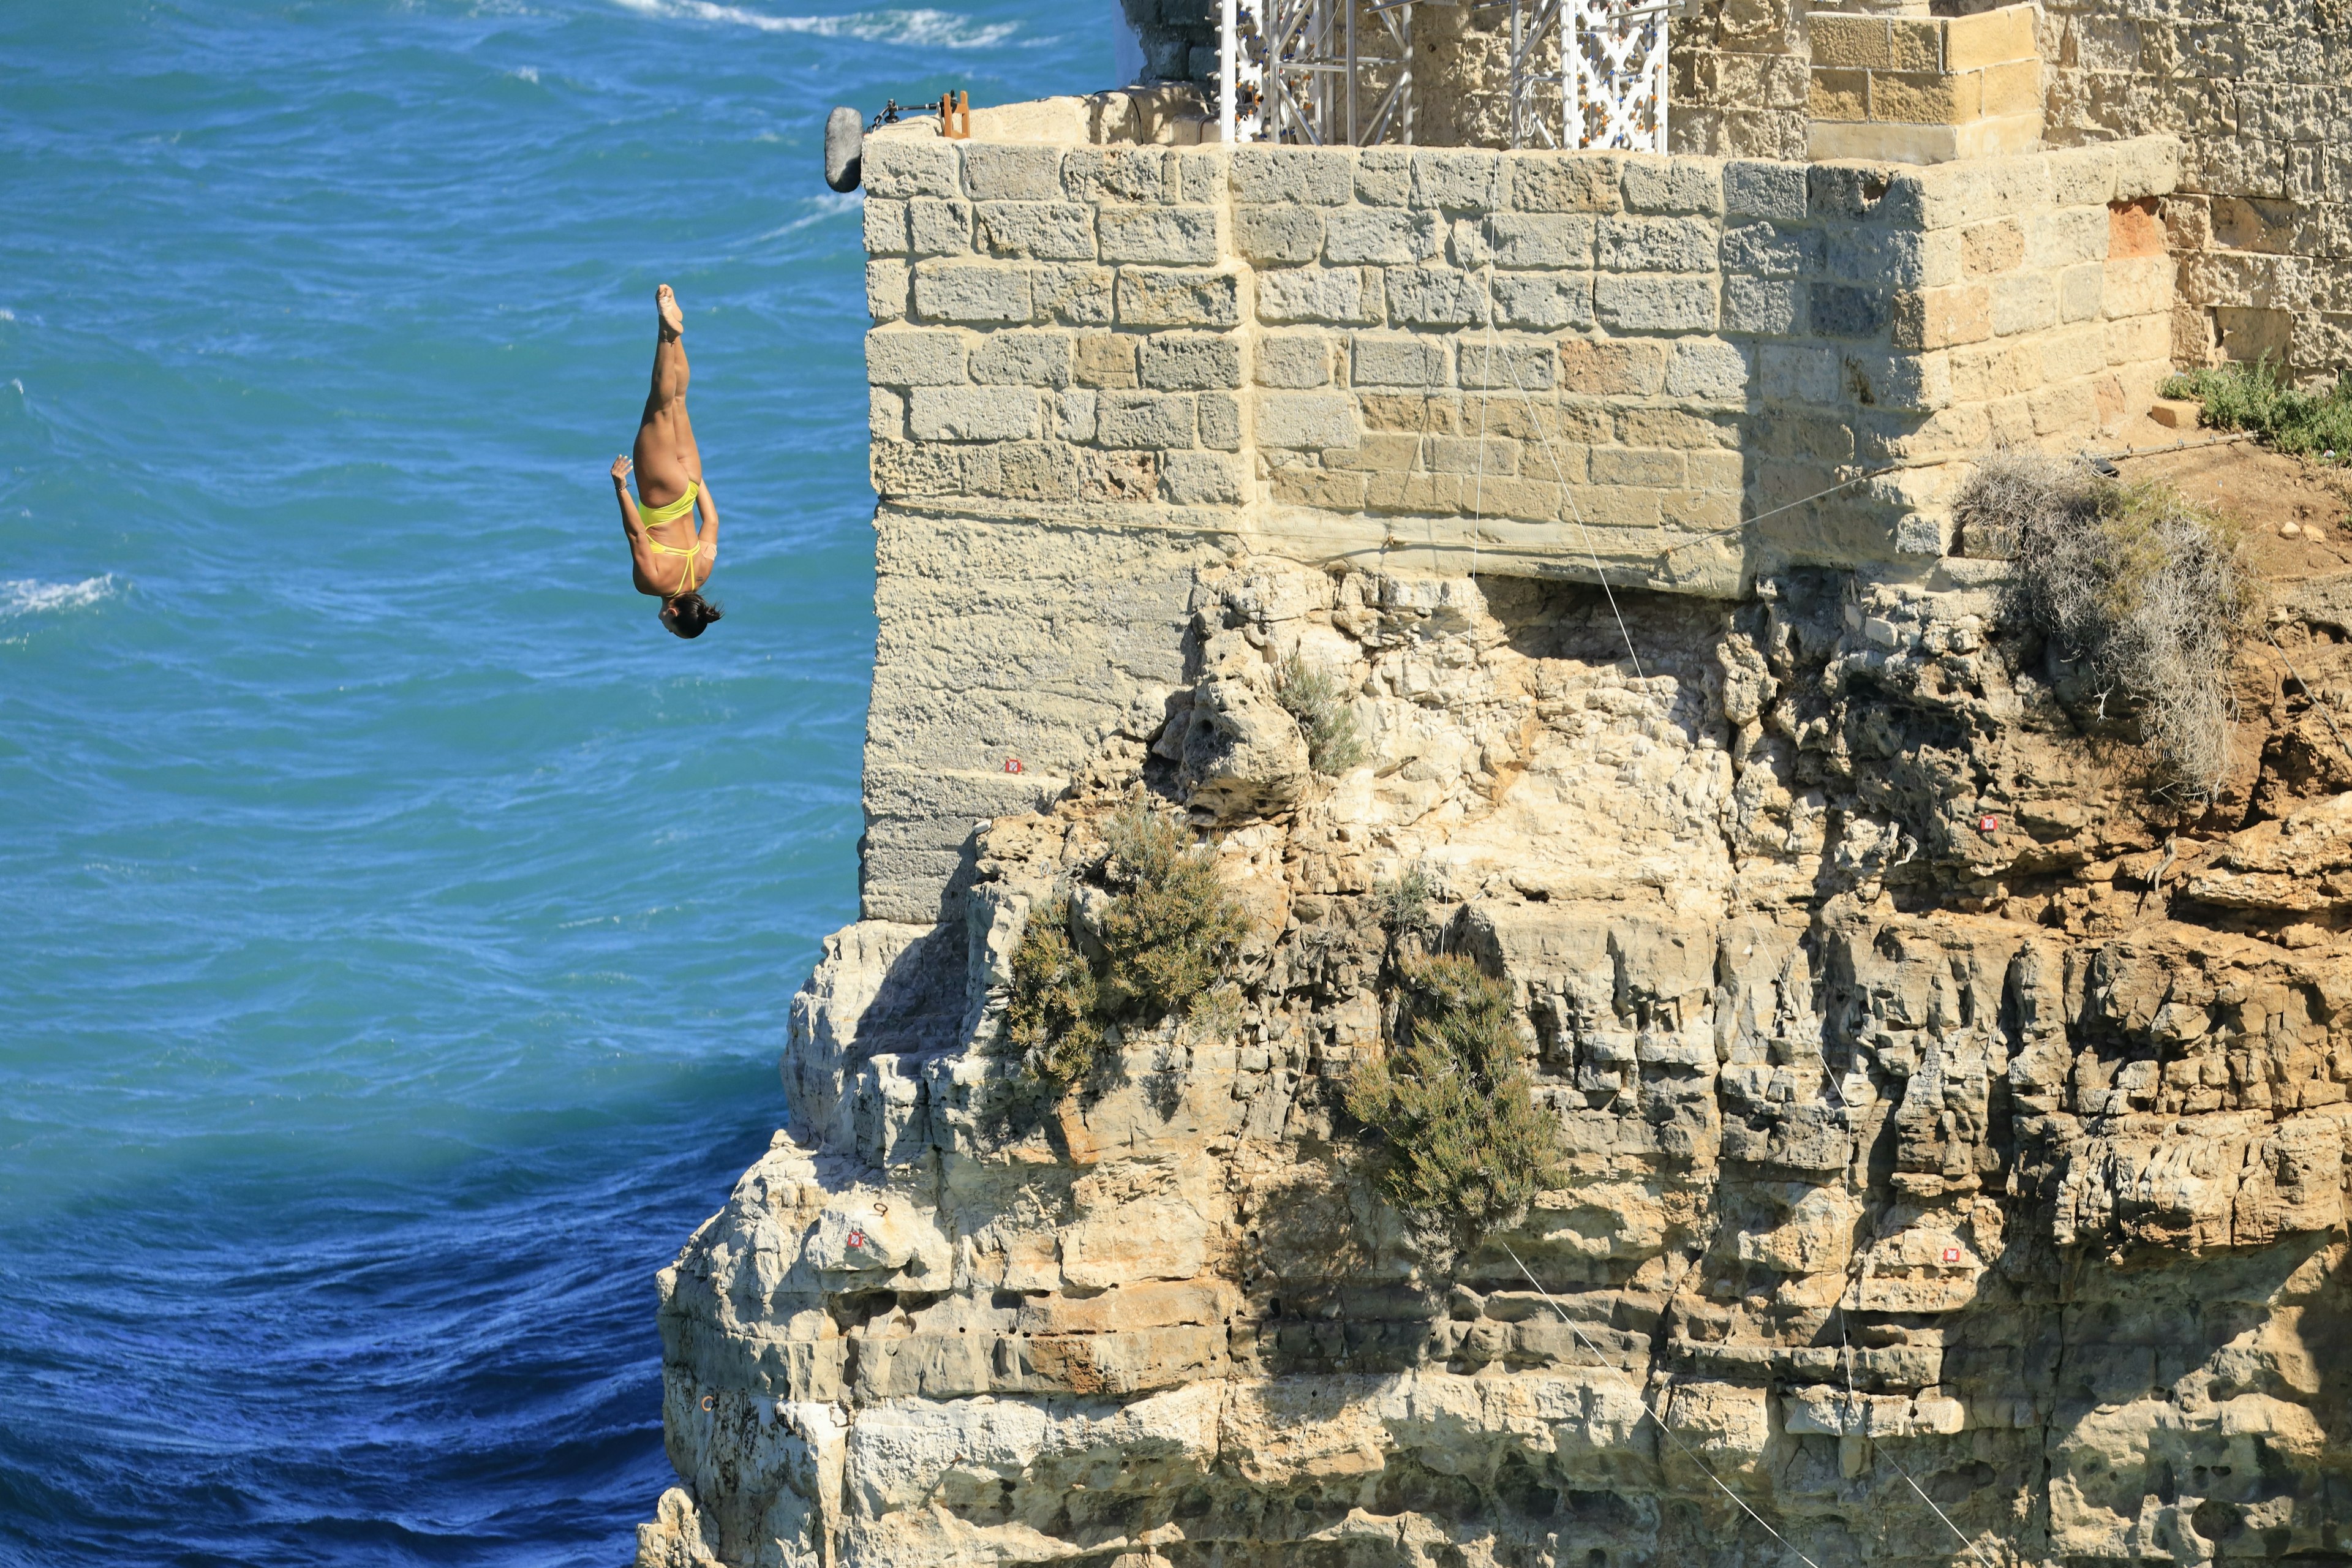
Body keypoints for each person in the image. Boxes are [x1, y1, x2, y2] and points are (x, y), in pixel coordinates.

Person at [611, 284, 723, 638]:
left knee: (678, 401)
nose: (664, 624)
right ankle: (665, 332)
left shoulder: (703, 573)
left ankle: (675, 333)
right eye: (671, 627)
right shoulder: (652, 583)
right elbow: (636, 536)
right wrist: (622, 489)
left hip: (689, 483)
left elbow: (713, 522)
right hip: (663, 492)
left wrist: (694, 481)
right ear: (673, 613)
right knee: (657, 408)